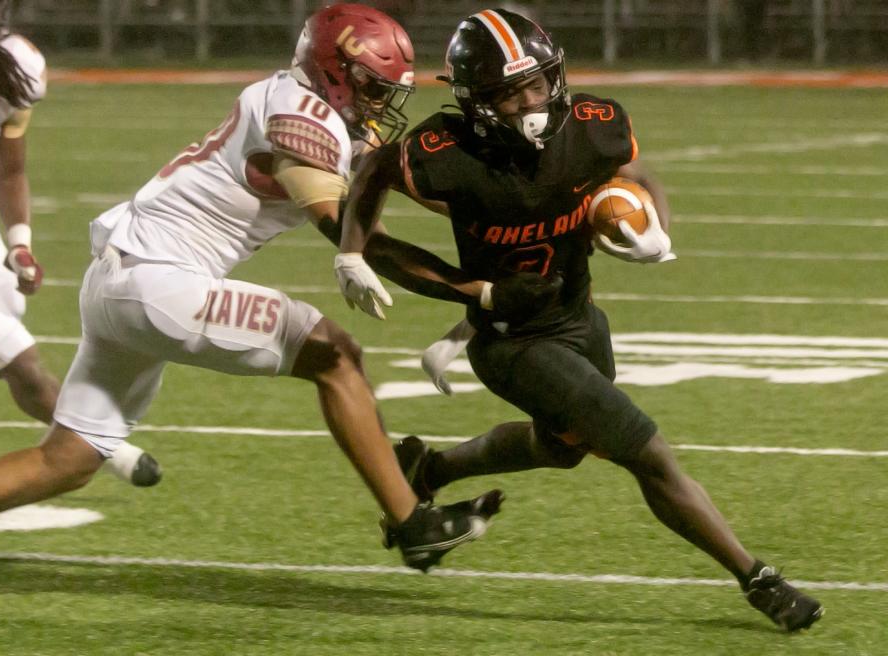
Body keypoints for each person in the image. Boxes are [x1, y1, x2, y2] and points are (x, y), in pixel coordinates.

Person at [0, 3, 503, 571]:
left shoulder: (304, 101)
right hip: (159, 281)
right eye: (373, 87)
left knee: (67, 459)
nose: (381, 104)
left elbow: (406, 183)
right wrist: (477, 292)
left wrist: (521, 208)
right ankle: (413, 525)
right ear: (336, 71)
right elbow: (351, 231)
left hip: (124, 281)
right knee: (336, 356)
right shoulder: (299, 115)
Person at [335, 8, 824, 630]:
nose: (530, 102)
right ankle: (759, 580)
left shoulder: (592, 125)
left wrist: (655, 232)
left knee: (561, 448)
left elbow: (637, 176)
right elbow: (375, 168)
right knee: (646, 452)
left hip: (579, 318)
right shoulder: (448, 151)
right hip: (513, 343)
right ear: (478, 100)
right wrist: (378, 257)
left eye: (536, 84)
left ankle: (427, 470)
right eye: (510, 93)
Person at [0, 0, 160, 487]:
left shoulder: (15, 62)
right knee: (21, 363)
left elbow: (10, 168)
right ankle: (107, 447)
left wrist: (19, 242)